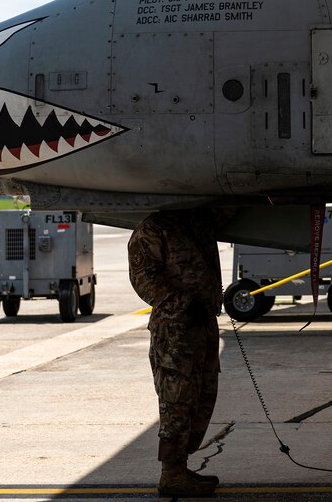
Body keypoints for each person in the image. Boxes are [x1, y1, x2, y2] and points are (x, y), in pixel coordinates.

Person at [128, 208, 223, 497]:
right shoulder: (153, 228)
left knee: (201, 397)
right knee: (176, 402)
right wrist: (183, 303)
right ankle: (171, 473)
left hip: (202, 323)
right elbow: (143, 279)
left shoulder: (198, 221)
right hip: (175, 328)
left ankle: (181, 466)